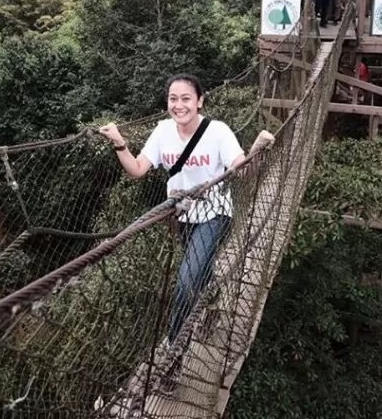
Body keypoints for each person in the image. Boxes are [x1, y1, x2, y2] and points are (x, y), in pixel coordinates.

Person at [97, 74, 273, 385]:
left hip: (215, 215)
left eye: (186, 98)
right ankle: (214, 294)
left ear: (200, 101)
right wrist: (119, 143)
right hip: (180, 217)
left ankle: (172, 359)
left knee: (185, 285)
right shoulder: (163, 131)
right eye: (173, 99)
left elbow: (244, 173)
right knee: (198, 272)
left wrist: (256, 154)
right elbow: (138, 170)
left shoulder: (217, 132)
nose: (179, 105)